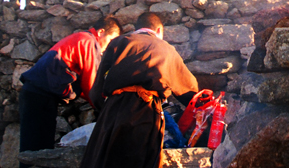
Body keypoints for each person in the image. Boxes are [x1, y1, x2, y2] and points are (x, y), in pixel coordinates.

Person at [79, 12, 199, 168]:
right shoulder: (167, 49)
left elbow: (96, 91)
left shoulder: (119, 42)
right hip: (146, 113)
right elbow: (189, 92)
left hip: (113, 111)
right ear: (158, 30)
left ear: (137, 29)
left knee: (102, 160)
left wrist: (105, 110)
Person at [18, 18, 121, 163]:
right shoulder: (88, 41)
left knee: (39, 146)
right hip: (39, 95)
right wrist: (104, 109)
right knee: (35, 149)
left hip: (39, 93)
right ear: (101, 32)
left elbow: (87, 86)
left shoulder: (80, 38)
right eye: (110, 40)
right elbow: (90, 82)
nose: (108, 47)